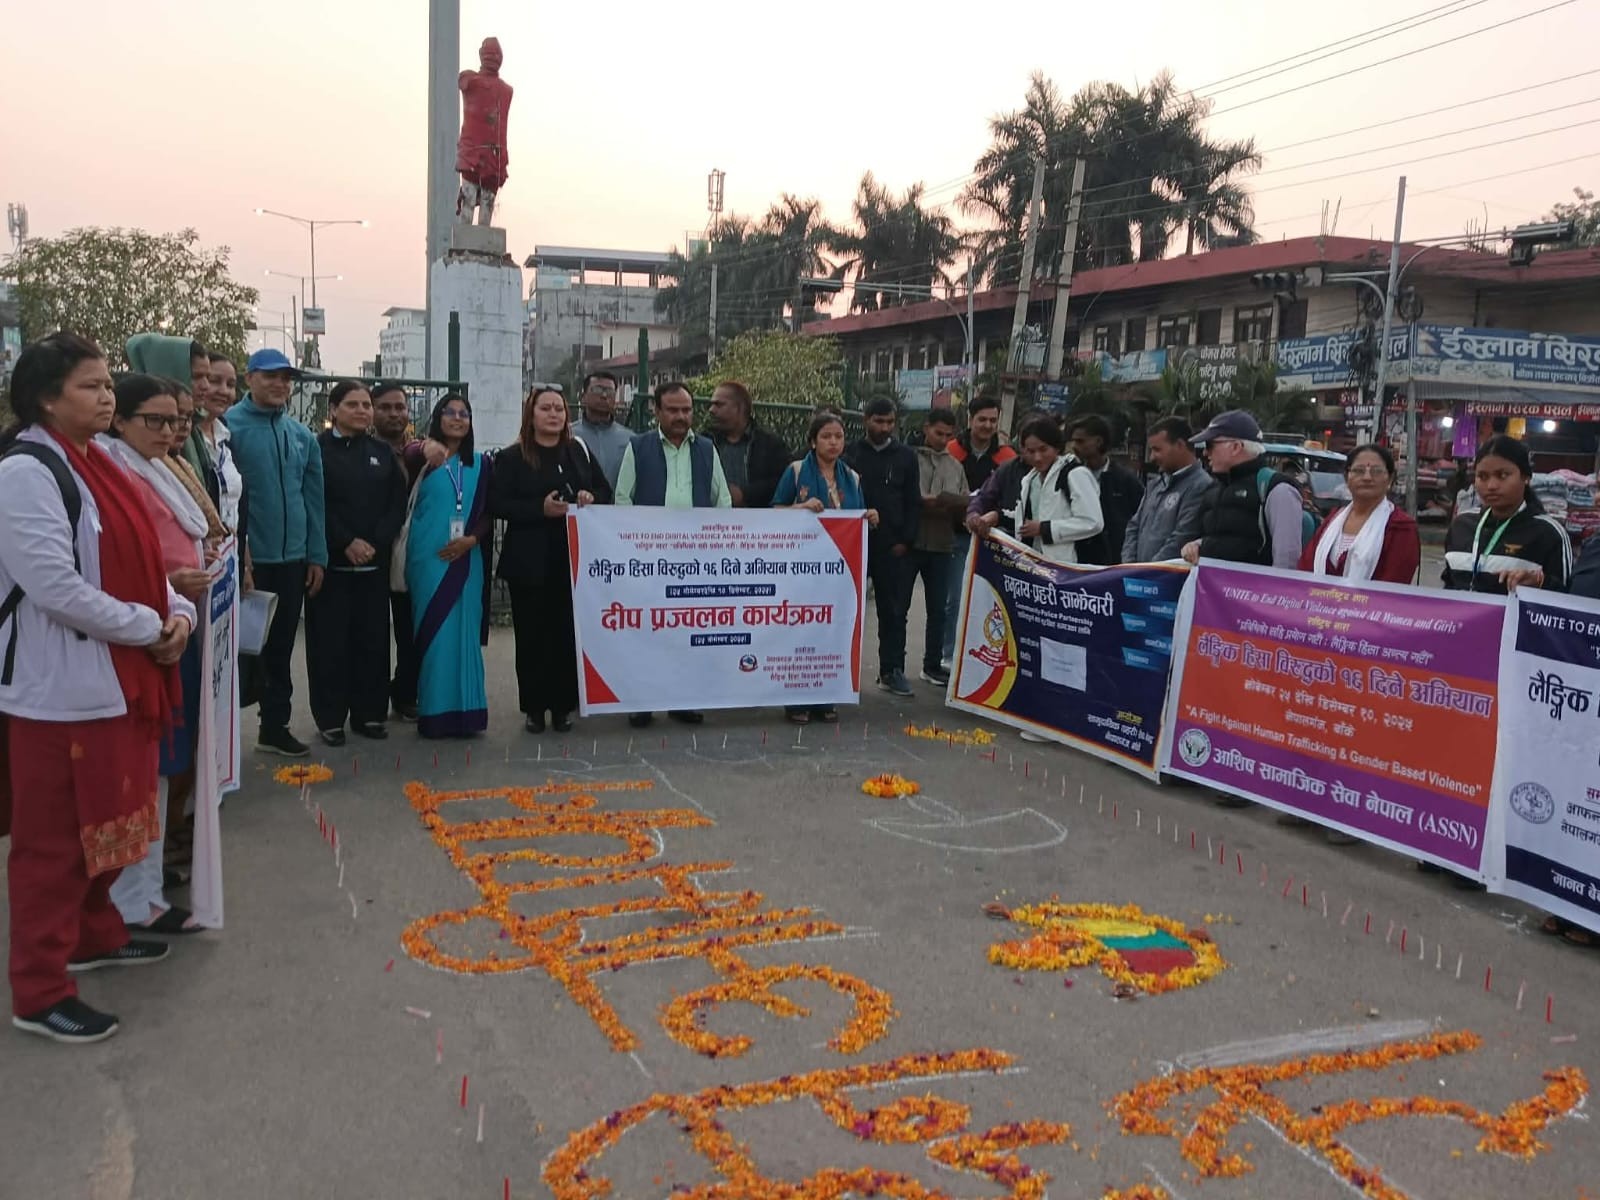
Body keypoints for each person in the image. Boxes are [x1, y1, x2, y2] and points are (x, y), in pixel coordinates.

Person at [0, 334, 195, 1043]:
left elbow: (149, 561)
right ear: (46, 398)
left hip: (117, 676)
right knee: (53, 843)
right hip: (58, 690)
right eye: (90, 386)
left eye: (109, 383)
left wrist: (177, 614)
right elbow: (56, 587)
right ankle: (39, 988)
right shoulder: (27, 471)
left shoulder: (97, 464)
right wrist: (151, 625)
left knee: (108, 826)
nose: (107, 396)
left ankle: (94, 934)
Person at [99, 375, 214, 937]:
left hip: (170, 620)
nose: (170, 432)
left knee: (166, 763)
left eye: (177, 422)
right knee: (140, 769)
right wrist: (167, 596)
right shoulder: (108, 469)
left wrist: (181, 606)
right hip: (132, 637)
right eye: (157, 420)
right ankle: (127, 899)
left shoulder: (159, 464)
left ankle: (143, 892)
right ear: (119, 420)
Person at [490, 387, 612, 733]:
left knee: (565, 635)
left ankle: (562, 706)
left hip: (571, 558)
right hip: (528, 560)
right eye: (546, 408)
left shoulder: (577, 452)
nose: (554, 414)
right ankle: (534, 708)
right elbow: (498, 503)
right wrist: (538, 510)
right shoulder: (513, 457)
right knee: (531, 637)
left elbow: (604, 490)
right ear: (531, 415)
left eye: (559, 408)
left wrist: (591, 496)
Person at [226, 348, 326, 757]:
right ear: (249, 378)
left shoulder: (300, 435)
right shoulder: (227, 429)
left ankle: (274, 725)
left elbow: (314, 499)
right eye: (270, 376)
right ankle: (222, 730)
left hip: (292, 558)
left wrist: (315, 554)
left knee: (281, 645)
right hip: (249, 559)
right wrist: (240, 550)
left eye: (286, 378)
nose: (279, 385)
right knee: (237, 647)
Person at [615, 381, 732, 728]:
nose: (682, 417)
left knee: (688, 632)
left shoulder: (707, 449)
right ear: (656, 410)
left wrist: (716, 545)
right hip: (650, 561)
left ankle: (684, 700)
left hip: (695, 563)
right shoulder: (638, 447)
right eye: (673, 410)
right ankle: (642, 702)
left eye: (687, 410)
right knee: (648, 631)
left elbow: (721, 501)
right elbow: (623, 499)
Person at [307, 382, 409, 747]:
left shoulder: (382, 452)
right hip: (331, 565)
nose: (363, 411)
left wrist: (375, 542)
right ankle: (330, 718)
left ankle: (369, 714)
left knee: (373, 643)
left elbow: (397, 503)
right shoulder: (315, 450)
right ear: (333, 409)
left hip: (373, 566)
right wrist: (345, 541)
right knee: (330, 644)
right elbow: (316, 501)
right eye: (353, 404)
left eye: (367, 404)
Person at [773, 411, 879, 724]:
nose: (833, 443)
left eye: (838, 437)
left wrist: (870, 517)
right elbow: (773, 511)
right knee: (800, 632)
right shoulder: (795, 472)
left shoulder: (852, 477)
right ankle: (796, 700)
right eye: (826, 437)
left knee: (833, 630)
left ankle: (826, 697)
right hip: (800, 571)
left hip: (839, 573)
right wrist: (801, 508)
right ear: (812, 441)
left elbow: (856, 521)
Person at [403, 395, 493, 739]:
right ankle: (435, 715)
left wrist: (471, 540)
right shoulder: (422, 457)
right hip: (428, 560)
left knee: (464, 635)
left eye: (464, 414)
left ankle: (468, 714)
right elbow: (409, 452)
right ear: (438, 417)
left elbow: (488, 511)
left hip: (467, 559)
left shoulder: (483, 464)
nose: (458, 418)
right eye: (450, 412)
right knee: (434, 634)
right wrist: (424, 448)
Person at [847, 398, 922, 698]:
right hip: (853, 545)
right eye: (878, 421)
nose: (884, 428)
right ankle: (837, 671)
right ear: (866, 420)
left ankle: (892, 670)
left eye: (890, 422)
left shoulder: (905, 456)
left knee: (893, 611)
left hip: (892, 546)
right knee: (847, 609)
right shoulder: (850, 453)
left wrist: (906, 540)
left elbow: (913, 501)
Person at [1442, 435, 1570, 594]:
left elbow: (1567, 601)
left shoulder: (1549, 533)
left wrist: (1540, 583)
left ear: (1526, 477)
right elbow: (1448, 586)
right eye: (1482, 476)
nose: (1491, 486)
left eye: (1503, 475)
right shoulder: (1461, 525)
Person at [1181, 410, 1304, 570]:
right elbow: (1222, 538)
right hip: (1213, 592)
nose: (1205, 452)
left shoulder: (1276, 489)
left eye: (1210, 445)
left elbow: (1287, 560)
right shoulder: (1215, 489)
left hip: (1255, 593)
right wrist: (1197, 545)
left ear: (1235, 447)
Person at [944, 395, 1016, 667]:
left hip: (992, 538)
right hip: (954, 535)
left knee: (990, 601)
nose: (987, 425)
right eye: (982, 419)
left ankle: (981, 658)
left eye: (993, 420)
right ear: (970, 419)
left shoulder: (1008, 458)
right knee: (954, 599)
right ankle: (948, 655)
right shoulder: (950, 451)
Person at [371, 382, 422, 722]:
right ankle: (371, 701)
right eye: (386, 407)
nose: (394, 413)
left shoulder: (420, 452)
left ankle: (405, 693)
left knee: (409, 629)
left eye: (400, 407)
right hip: (370, 552)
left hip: (410, 554)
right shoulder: (362, 450)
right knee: (373, 633)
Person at [1299, 445, 1420, 584]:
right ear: (1346, 477)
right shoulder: (1332, 520)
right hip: (1319, 604)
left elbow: (1394, 583)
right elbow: (1306, 566)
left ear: (1390, 479)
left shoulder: (1401, 527)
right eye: (1359, 470)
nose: (1367, 477)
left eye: (1376, 471)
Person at [997, 415, 1106, 565]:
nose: (1037, 457)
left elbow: (1093, 522)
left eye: (1043, 449)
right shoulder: (1030, 480)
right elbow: (1031, 518)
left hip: (1070, 567)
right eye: (1031, 451)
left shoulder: (1074, 474)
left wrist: (1045, 529)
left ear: (1056, 447)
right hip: (1037, 566)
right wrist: (998, 517)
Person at [911, 409, 968, 687]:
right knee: (897, 608)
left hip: (943, 543)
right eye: (938, 433)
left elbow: (967, 501)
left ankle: (932, 664)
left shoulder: (955, 466)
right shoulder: (909, 459)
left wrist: (955, 505)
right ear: (926, 428)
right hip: (910, 540)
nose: (943, 439)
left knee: (939, 609)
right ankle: (892, 667)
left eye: (948, 435)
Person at [1122, 417, 1215, 563]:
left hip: (1167, 578)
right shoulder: (1155, 484)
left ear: (1179, 445)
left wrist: (1147, 572)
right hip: (1136, 580)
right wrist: (1128, 567)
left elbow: (1182, 537)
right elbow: (1133, 527)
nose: (1152, 457)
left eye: (1157, 450)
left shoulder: (1201, 486)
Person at [1068, 415, 1142, 565]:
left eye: (1080, 441)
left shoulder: (1125, 479)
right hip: (1076, 562)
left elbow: (1139, 519)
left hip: (1113, 564)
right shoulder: (1067, 476)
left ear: (1098, 441)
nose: (1074, 446)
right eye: (1073, 441)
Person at [707, 380, 790, 508]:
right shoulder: (705, 442)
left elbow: (784, 481)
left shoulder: (769, 444)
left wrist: (745, 494)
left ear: (740, 408)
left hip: (757, 522)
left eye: (719, 405)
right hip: (711, 521)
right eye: (711, 404)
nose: (711, 410)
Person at [197, 353, 245, 537]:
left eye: (231, 385)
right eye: (214, 381)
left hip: (229, 554)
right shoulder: (182, 442)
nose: (224, 391)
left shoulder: (226, 438)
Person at [572, 371, 633, 489]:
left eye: (610, 391)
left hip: (619, 506)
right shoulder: (568, 435)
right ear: (583, 397)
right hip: (577, 505)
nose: (604, 396)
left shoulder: (630, 439)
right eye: (597, 390)